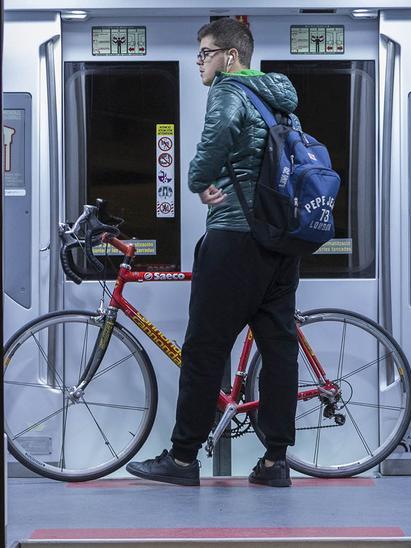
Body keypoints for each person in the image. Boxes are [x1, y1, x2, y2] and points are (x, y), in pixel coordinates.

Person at [125, 17, 302, 488]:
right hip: (280, 243)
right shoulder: (280, 100)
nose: (199, 62)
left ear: (230, 55)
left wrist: (197, 182)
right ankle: (275, 462)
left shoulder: (228, 90)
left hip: (235, 237)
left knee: (203, 349)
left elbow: (215, 139)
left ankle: (182, 460)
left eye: (205, 52)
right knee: (279, 348)